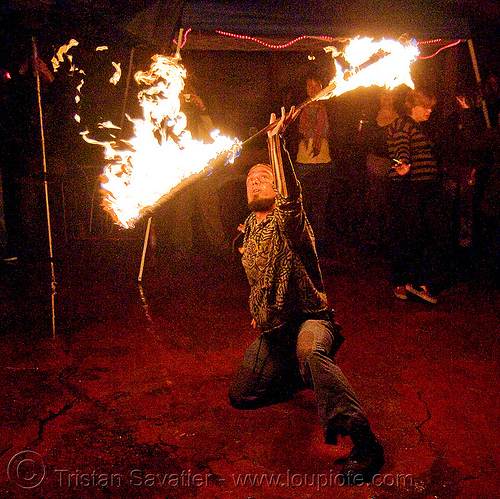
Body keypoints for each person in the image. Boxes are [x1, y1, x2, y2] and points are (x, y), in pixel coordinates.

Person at [229, 108, 384, 485]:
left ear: (278, 186)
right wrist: (259, 311)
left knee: (311, 350)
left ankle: (365, 443)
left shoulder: (291, 221)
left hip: (312, 321)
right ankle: (301, 373)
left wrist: (275, 144)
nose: (255, 182)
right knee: (242, 394)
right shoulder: (247, 233)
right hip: (276, 330)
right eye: (250, 179)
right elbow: (259, 283)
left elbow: (292, 198)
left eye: (264, 178)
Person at [386, 87, 441, 303]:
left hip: (423, 188)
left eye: (431, 107)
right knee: (408, 234)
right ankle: (403, 281)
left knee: (421, 236)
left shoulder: (421, 127)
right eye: (426, 106)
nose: (429, 110)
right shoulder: (402, 124)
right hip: (408, 188)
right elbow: (401, 147)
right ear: (413, 106)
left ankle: (413, 281)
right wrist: (403, 163)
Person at [295, 74, 334, 254]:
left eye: (315, 85)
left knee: (320, 206)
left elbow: (330, 131)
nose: (312, 89)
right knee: (304, 204)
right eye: (308, 86)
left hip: (323, 161)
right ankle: (303, 243)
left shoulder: (329, 107)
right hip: (304, 161)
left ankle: (320, 246)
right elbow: (299, 131)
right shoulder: (300, 108)